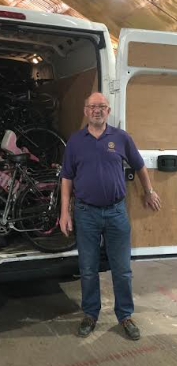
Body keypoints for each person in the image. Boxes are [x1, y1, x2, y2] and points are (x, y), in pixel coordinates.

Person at [60, 92, 161, 340]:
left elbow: (139, 166)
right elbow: (66, 178)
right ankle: (90, 314)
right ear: (85, 111)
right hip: (85, 213)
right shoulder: (75, 141)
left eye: (102, 106)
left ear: (108, 111)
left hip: (116, 212)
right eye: (93, 106)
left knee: (122, 269)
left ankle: (125, 315)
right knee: (87, 268)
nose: (97, 110)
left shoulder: (121, 137)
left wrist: (148, 191)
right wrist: (64, 212)